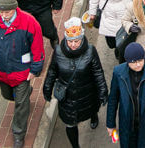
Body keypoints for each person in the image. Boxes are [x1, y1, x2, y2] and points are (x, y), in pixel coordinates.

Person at [0, 0, 44, 148]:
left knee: (21, 104)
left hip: (21, 73)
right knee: (8, 96)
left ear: (15, 9)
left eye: (7, 12)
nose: (4, 16)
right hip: (1, 71)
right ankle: (26, 93)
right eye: (1, 12)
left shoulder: (29, 22)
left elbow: (37, 47)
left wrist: (35, 69)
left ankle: (18, 134)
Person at [42, 17, 108, 148]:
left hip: (88, 93)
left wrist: (103, 91)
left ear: (82, 38)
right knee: (70, 123)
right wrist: (47, 88)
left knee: (91, 109)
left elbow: (98, 73)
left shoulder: (90, 51)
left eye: (76, 41)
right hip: (68, 98)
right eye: (70, 41)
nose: (73, 44)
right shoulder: (58, 52)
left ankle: (93, 116)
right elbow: (52, 72)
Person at [106, 42, 145, 148]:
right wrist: (110, 124)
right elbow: (113, 99)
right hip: (127, 125)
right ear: (127, 61)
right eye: (133, 62)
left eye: (140, 60)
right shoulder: (118, 72)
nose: (138, 64)